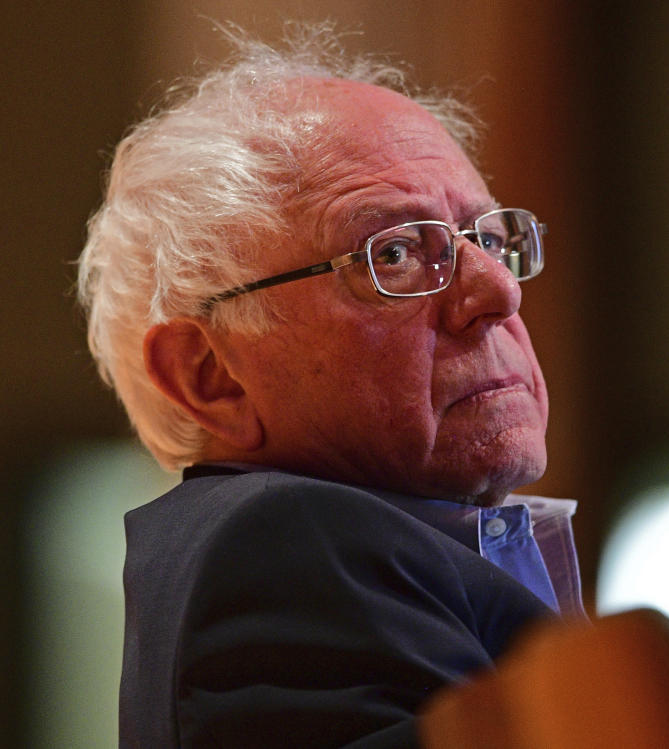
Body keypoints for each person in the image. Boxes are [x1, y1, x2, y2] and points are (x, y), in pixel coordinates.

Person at [77, 23, 583, 748]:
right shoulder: (282, 547)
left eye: (489, 240)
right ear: (211, 375)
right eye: (398, 252)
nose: (499, 291)